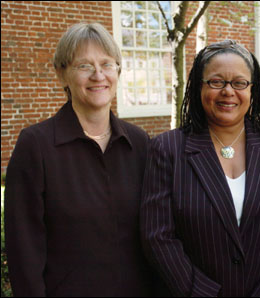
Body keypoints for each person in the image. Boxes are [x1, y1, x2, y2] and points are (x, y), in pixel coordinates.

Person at [4, 23, 168, 296]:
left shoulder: (139, 144)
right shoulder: (36, 146)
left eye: (107, 64)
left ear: (118, 71)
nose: (98, 75)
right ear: (62, 75)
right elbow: (24, 253)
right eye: (84, 66)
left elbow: (157, 236)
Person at [140, 39, 260, 297]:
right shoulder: (168, 149)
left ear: (253, 90)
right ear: (199, 87)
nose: (228, 91)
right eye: (216, 81)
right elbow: (158, 237)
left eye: (239, 83)